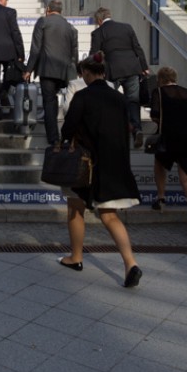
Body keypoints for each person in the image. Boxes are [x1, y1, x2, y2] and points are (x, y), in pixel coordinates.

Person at [56, 50, 143, 288]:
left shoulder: (83, 96)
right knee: (109, 215)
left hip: (85, 165)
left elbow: (68, 128)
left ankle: (75, 257)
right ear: (104, 73)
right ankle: (130, 263)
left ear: (85, 72)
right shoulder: (119, 98)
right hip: (113, 165)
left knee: (75, 208)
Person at [148, 66, 187, 237]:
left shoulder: (158, 92)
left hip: (169, 139)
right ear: (175, 78)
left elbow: (154, 115)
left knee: (159, 162)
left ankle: (161, 198)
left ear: (160, 79)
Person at [89, 6, 149, 149]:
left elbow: (94, 56)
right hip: (132, 68)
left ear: (99, 19)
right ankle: (137, 130)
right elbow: (137, 47)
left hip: (112, 70)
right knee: (133, 101)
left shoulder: (98, 32)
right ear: (110, 15)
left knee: (109, 102)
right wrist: (144, 66)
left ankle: (111, 133)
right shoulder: (127, 27)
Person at [23, 0, 78, 146]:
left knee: (49, 102)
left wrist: (28, 70)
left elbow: (35, 49)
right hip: (64, 71)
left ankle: (53, 138)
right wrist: (75, 73)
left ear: (48, 9)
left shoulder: (43, 22)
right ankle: (67, 136)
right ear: (61, 11)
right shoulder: (70, 27)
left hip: (47, 69)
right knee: (63, 101)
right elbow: (74, 53)